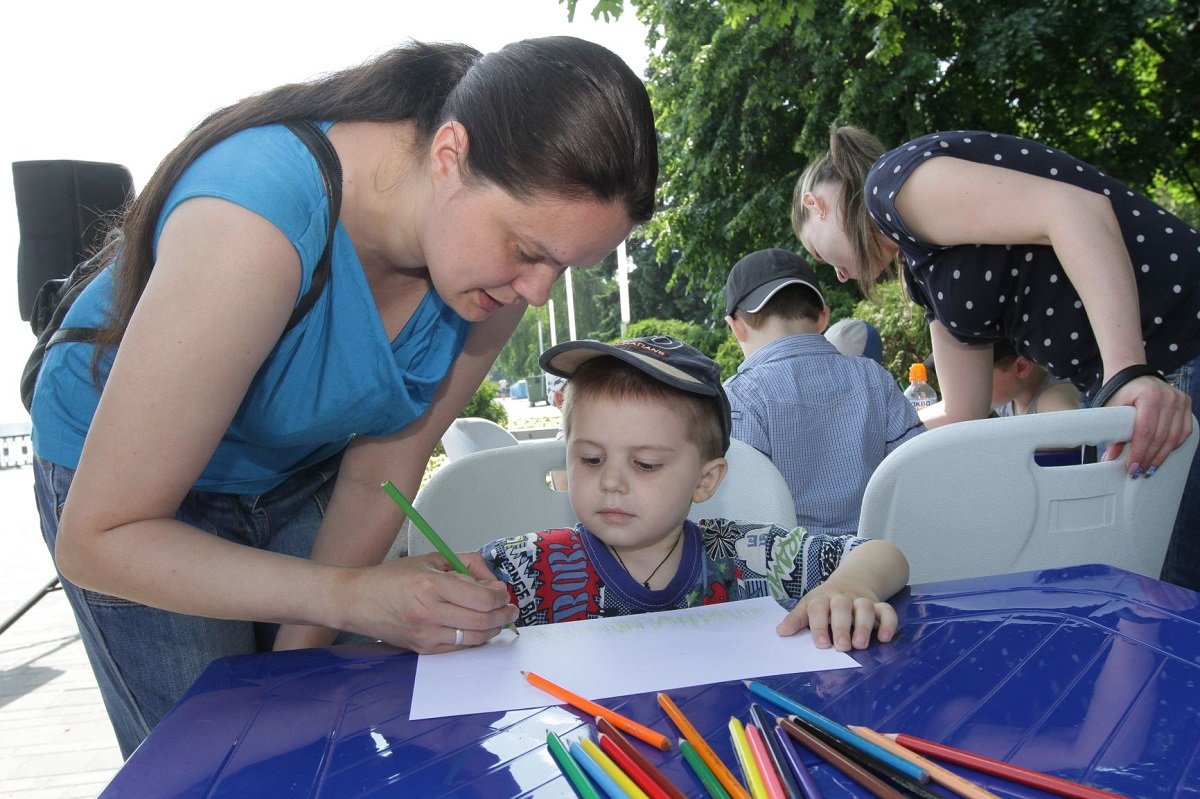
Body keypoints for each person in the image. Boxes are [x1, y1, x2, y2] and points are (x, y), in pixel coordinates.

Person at [29, 36, 658, 756]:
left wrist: (299, 671)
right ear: (449, 156)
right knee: (219, 764)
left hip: (293, 473)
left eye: (565, 268)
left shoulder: (500, 262)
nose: (538, 294)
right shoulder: (255, 218)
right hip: (133, 503)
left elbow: (381, 467)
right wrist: (351, 596)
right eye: (529, 252)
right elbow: (99, 538)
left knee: (317, 736)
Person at [791, 126, 1200, 589]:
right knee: (1148, 587)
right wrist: (852, 440)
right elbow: (963, 410)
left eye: (821, 257)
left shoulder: (891, 184)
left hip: (1174, 340)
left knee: (1164, 589)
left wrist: (1129, 370)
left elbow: (1075, 209)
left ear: (816, 206)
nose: (841, 276)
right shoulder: (922, 273)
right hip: (1135, 379)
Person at [480, 335, 910, 651]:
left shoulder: (745, 554)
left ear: (705, 481)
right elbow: (441, 585)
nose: (610, 481)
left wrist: (852, 586)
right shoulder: (528, 565)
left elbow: (882, 554)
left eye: (645, 464)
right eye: (590, 459)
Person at [721, 249, 924, 534]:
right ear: (823, 317)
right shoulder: (872, 377)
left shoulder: (740, 397)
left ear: (736, 327)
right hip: (880, 560)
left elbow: (744, 509)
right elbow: (917, 468)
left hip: (792, 570)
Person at [989, 341, 1081, 418]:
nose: (974, 393)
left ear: (1021, 367)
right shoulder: (1006, 397)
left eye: (978, 384)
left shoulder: (1052, 402)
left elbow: (1076, 433)